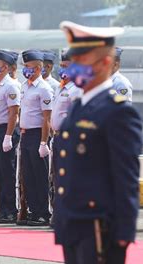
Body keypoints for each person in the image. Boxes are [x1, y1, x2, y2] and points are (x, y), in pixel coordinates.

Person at [54, 21, 143, 264]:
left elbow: (126, 176)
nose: (74, 68)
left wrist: (124, 232)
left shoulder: (117, 111)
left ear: (105, 63)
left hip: (99, 224)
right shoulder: (79, 107)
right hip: (73, 221)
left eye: (82, 60)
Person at [19, 49, 53, 226]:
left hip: (37, 134)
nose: (25, 70)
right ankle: (33, 210)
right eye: (24, 66)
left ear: (39, 68)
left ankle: (43, 213)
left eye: (29, 67)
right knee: (28, 175)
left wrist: (43, 142)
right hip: (25, 134)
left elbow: (47, 117)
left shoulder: (44, 88)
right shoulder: (24, 86)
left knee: (40, 176)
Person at [0, 50, 21, 224]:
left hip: (5, 132)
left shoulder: (10, 86)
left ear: (6, 67)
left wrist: (8, 136)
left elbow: (13, 113)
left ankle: (9, 210)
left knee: (7, 172)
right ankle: (0, 208)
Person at [49, 50, 83, 224]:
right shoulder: (59, 87)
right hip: (57, 138)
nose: (62, 69)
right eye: (61, 66)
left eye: (66, 66)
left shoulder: (77, 89)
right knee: (57, 178)